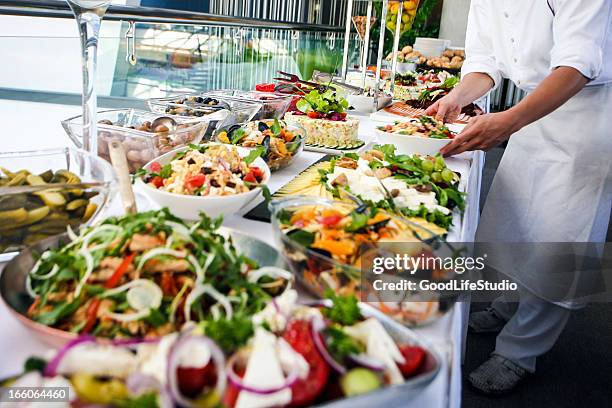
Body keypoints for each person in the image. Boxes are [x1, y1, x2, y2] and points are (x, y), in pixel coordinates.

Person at [426, 0, 612, 395]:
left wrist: (510, 121)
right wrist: (458, 96)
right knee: (516, 218)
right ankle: (507, 307)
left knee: (560, 239)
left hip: (591, 113)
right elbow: (485, 61)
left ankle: (519, 352)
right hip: (533, 108)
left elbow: (577, 65)